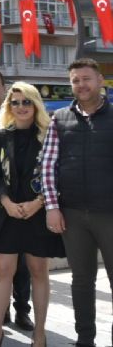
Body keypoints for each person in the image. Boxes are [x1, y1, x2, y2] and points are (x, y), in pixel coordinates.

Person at [0, 82, 63, 347]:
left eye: (26, 102)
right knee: (2, 271)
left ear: (35, 105)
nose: (20, 107)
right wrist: (6, 202)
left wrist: (38, 203)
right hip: (6, 213)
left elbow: (57, 174)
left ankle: (39, 334)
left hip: (37, 214)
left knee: (38, 271)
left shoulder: (49, 135)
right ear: (8, 107)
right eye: (15, 102)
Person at [43, 58, 113, 347]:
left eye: (86, 79)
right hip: (72, 214)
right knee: (81, 281)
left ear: (100, 81)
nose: (81, 85)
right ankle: (85, 338)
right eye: (75, 80)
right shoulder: (60, 118)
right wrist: (52, 207)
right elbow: (47, 165)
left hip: (109, 213)